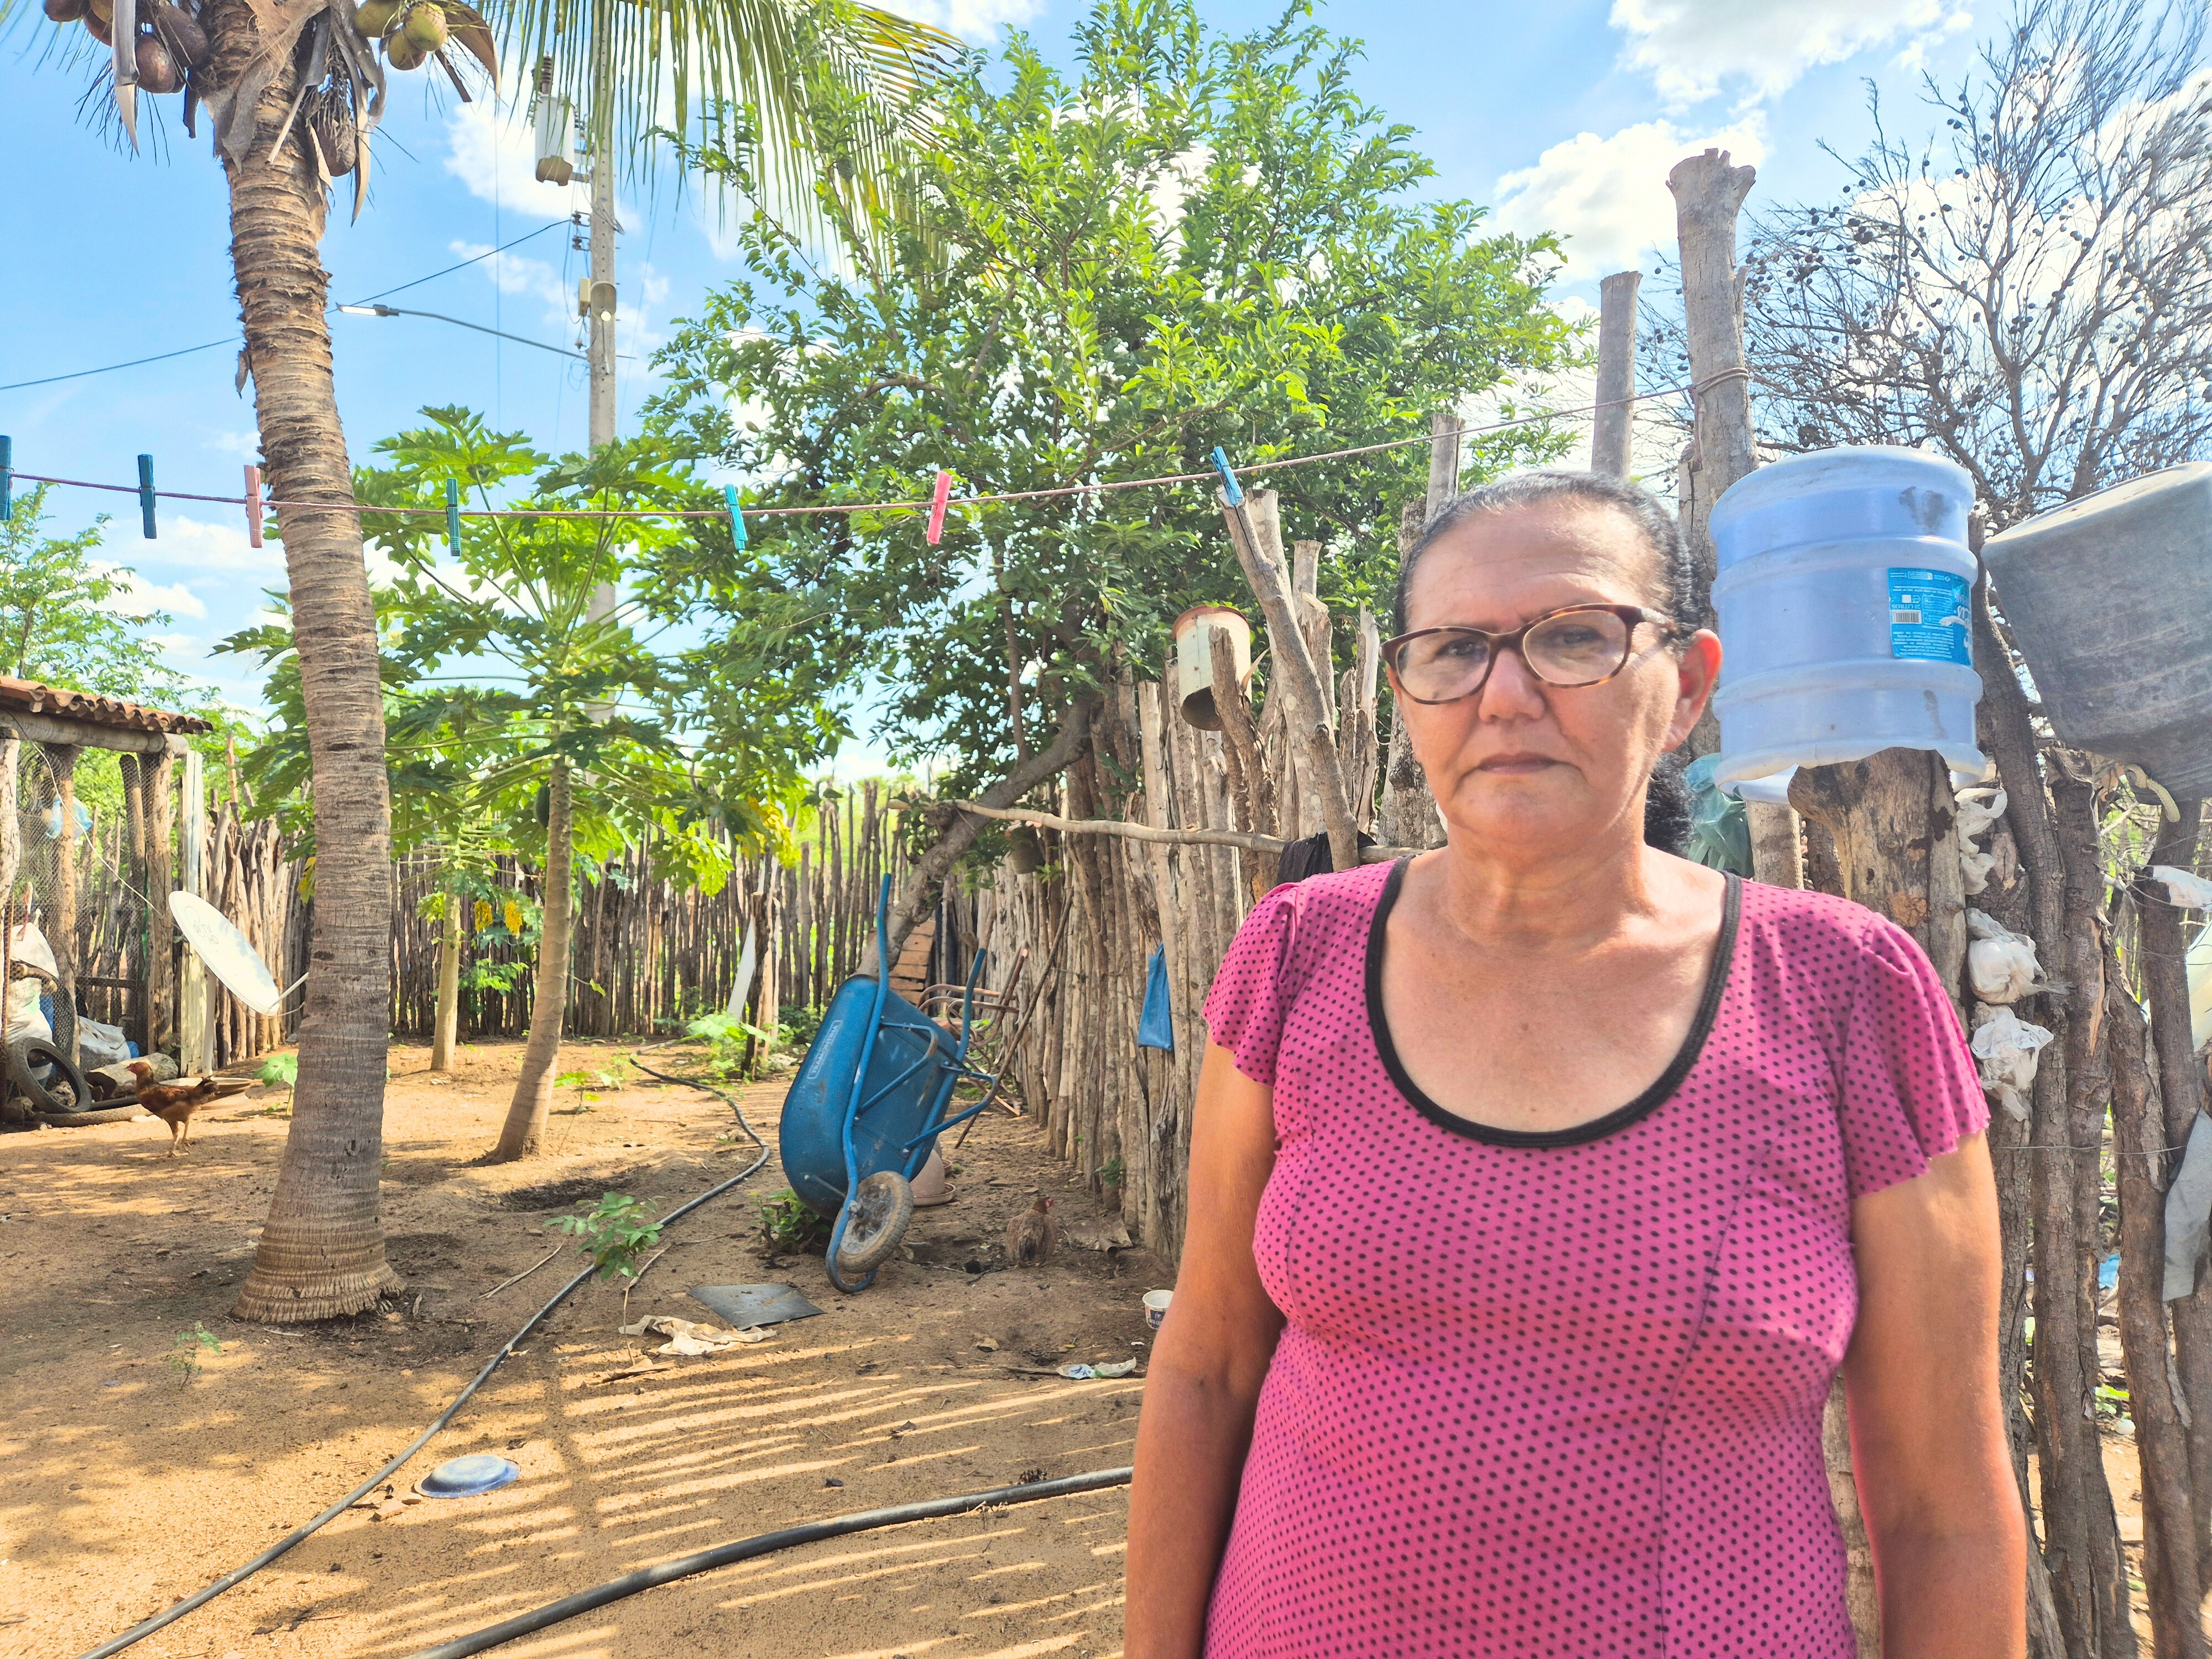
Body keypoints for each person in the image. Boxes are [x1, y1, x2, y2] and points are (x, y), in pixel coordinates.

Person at [1125, 472, 2023, 1658]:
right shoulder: (1298, 954)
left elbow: (1939, 1508)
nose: (1503, 695)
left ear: (1689, 683)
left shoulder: (1840, 992)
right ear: (1405, 691)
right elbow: (1206, 1366)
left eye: (1571, 639)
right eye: (1451, 650)